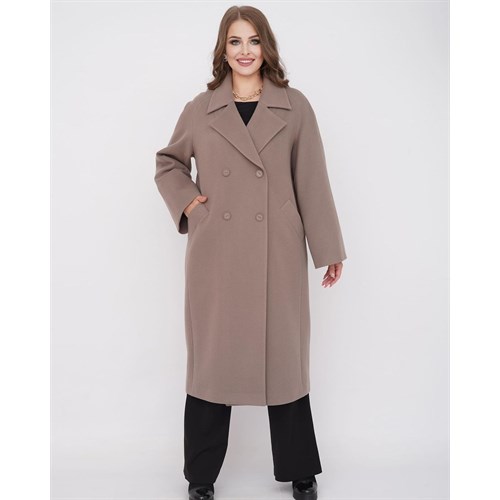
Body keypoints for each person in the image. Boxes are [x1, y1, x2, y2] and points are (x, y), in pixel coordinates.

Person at [154, 6, 347, 500]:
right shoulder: (201, 108)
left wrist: (327, 247)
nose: (245, 51)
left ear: (267, 47)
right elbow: (168, 163)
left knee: (285, 362)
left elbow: (311, 179)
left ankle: (300, 469)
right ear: (223, 49)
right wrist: (191, 205)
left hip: (276, 251)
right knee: (212, 365)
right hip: (216, 254)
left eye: (254, 41)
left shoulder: (294, 106)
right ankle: (201, 477)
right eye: (235, 41)